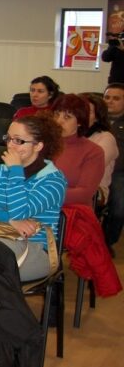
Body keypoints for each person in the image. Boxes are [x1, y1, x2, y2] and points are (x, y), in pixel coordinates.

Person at [0, 115, 66, 281]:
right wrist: (9, 219)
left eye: (19, 141)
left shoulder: (53, 181)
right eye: (9, 138)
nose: (10, 145)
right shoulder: (0, 171)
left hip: (35, 249)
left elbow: (20, 212)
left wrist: (16, 171)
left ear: (38, 146)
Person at [51, 94, 105, 207]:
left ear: (80, 121)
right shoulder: (41, 144)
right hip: (36, 207)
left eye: (67, 117)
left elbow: (84, 194)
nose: (59, 121)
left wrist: (45, 196)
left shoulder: (93, 151)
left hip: (71, 212)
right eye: (56, 115)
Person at [84, 92, 119, 201]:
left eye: (88, 112)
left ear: (97, 117)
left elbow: (89, 171)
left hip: (95, 191)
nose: (82, 115)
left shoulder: (106, 138)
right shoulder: (67, 135)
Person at [102, 83, 124, 249]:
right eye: (107, 97)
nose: (110, 101)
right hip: (94, 171)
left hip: (119, 172)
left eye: (116, 98)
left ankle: (106, 242)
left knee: (119, 208)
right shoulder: (93, 121)